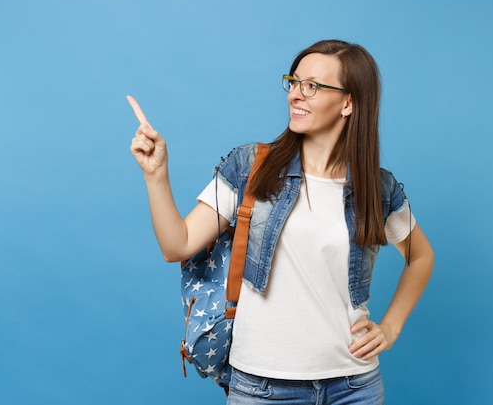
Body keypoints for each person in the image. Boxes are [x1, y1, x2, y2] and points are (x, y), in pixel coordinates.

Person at [128, 39, 434, 405]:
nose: (296, 95)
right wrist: (156, 175)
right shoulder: (250, 168)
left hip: (354, 386)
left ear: (348, 102)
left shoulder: (377, 188)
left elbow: (421, 257)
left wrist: (391, 326)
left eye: (313, 86)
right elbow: (176, 245)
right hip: (262, 388)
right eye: (294, 82)